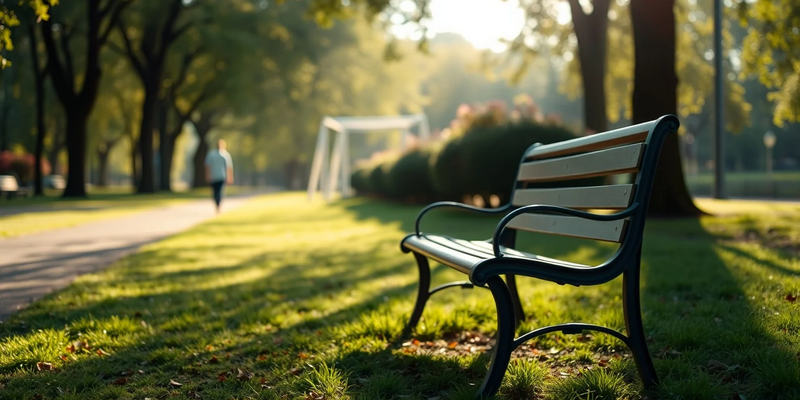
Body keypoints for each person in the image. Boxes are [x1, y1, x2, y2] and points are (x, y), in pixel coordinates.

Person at [205, 139, 233, 214]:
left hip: (216, 176)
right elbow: (229, 168)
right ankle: (218, 205)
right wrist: (230, 177)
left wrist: (207, 175)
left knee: (217, 192)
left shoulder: (213, 154)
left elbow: (208, 166)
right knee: (218, 192)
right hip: (219, 176)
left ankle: (217, 205)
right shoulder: (225, 155)